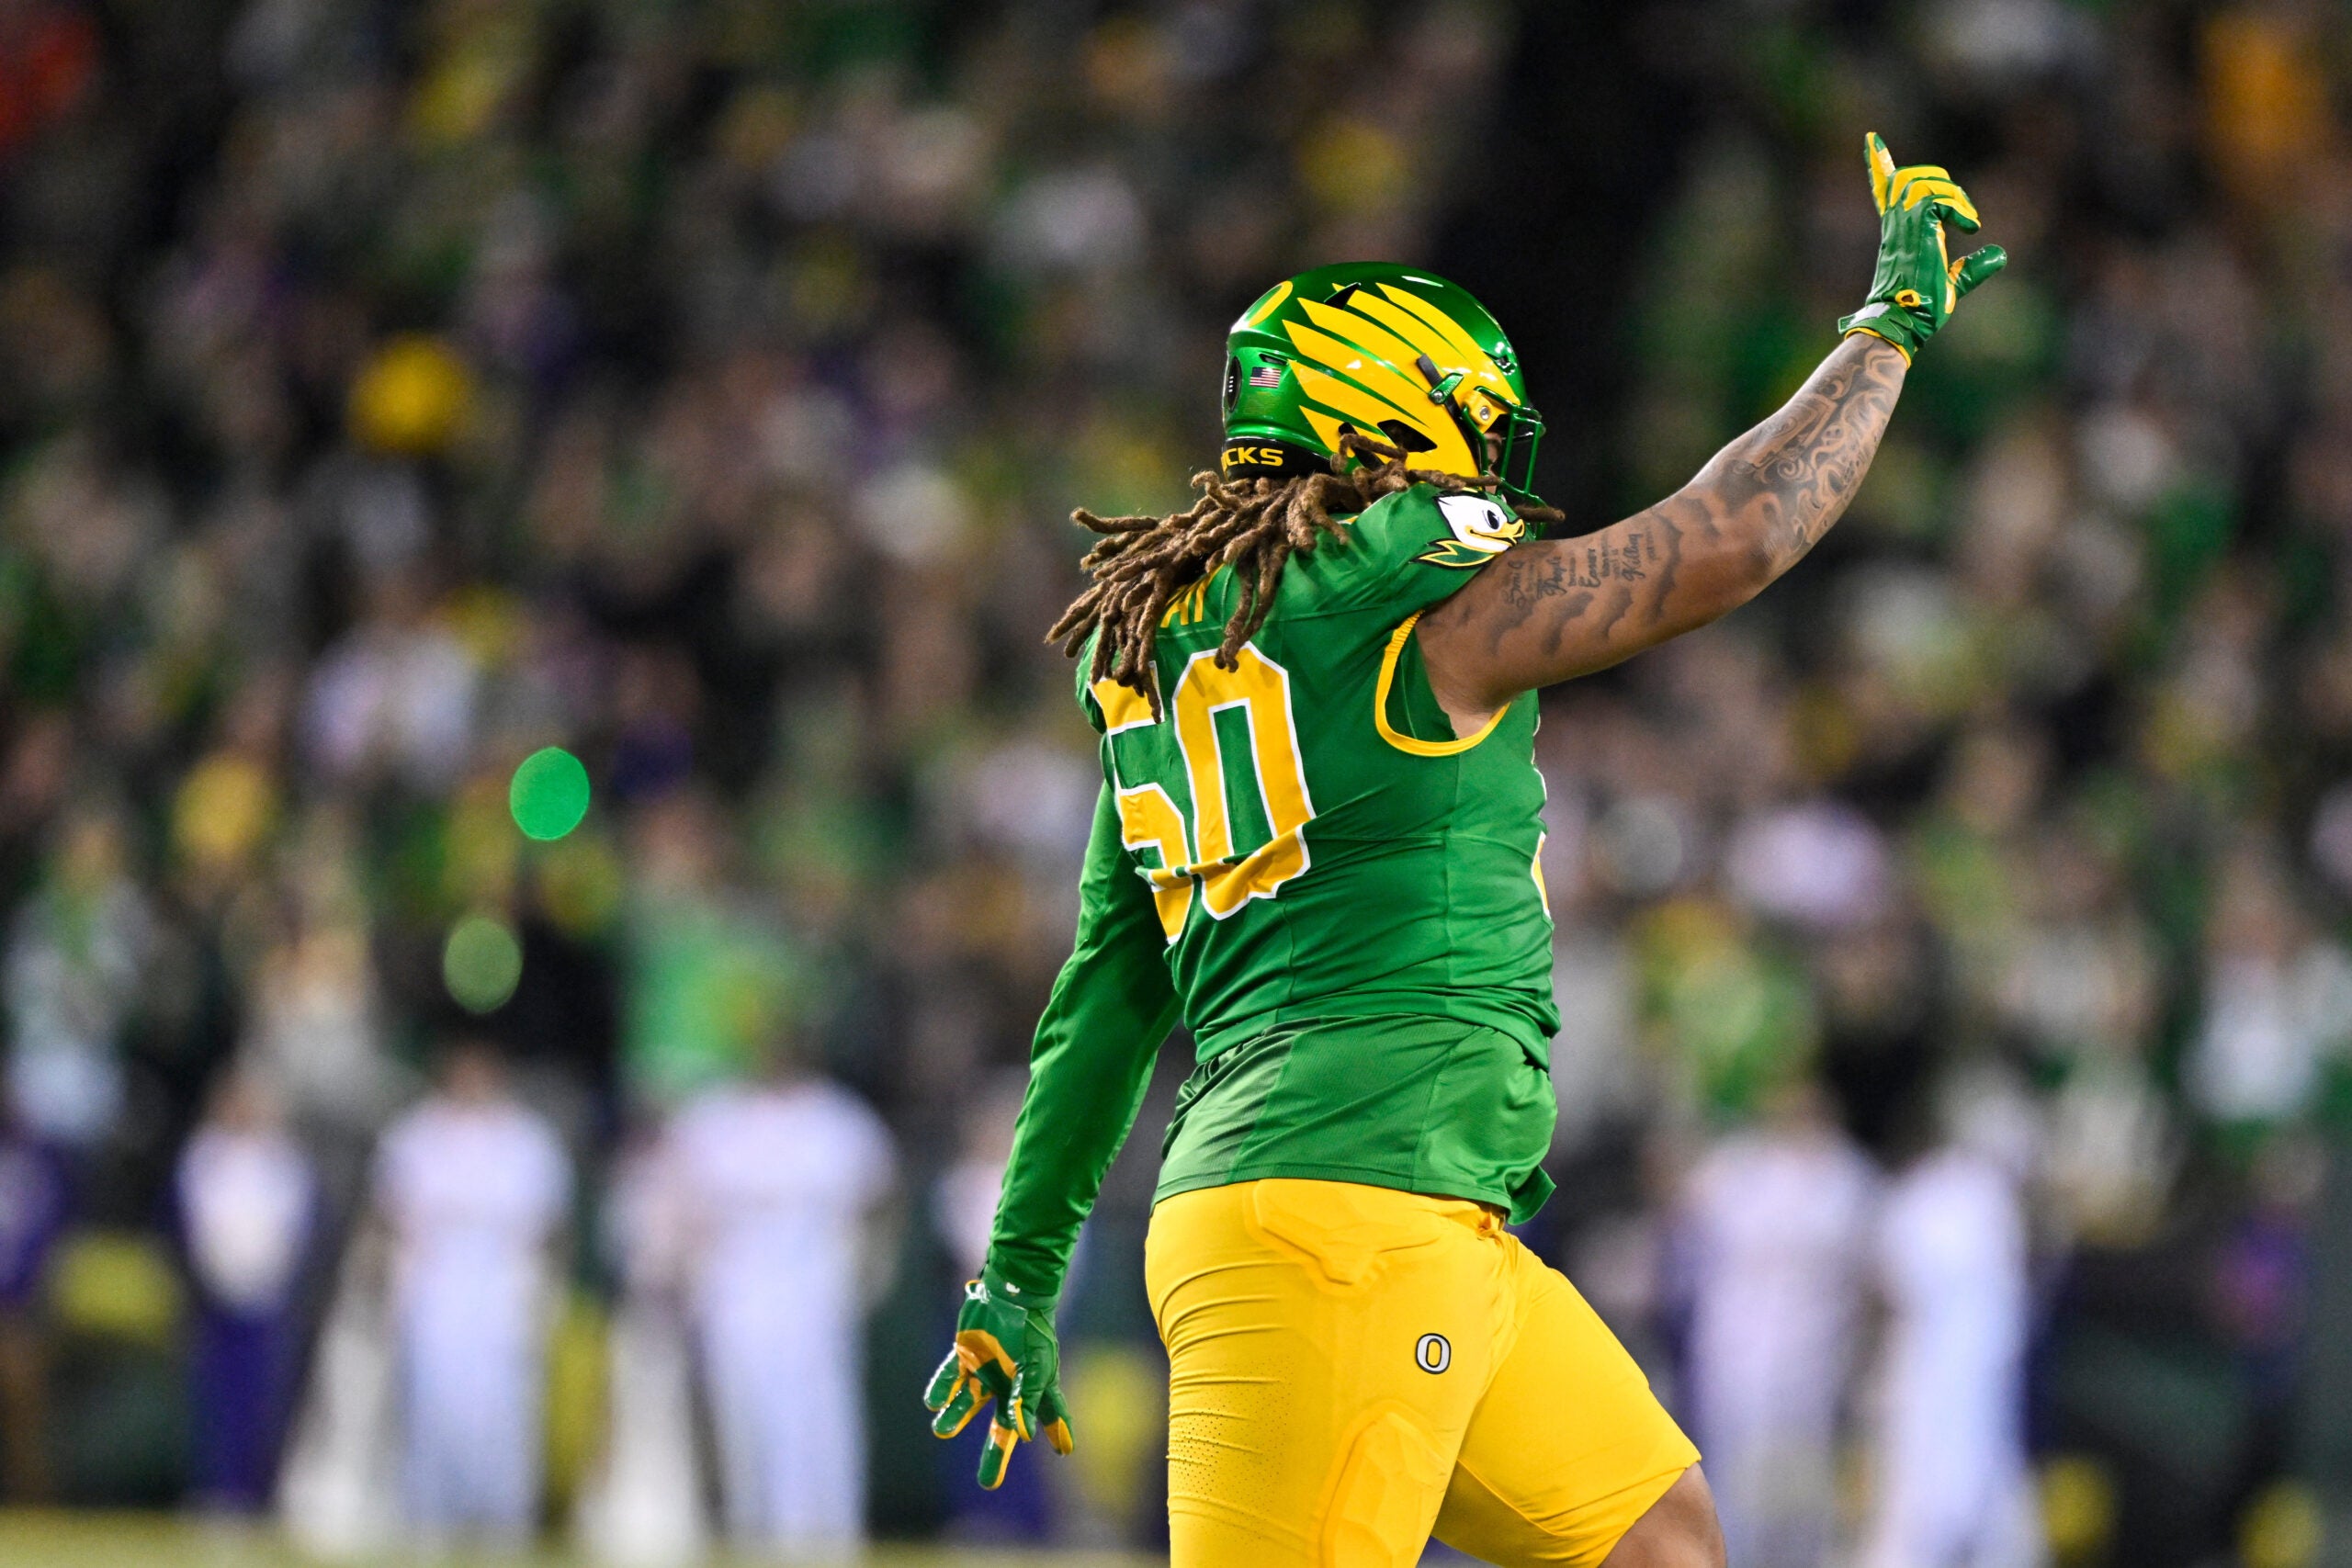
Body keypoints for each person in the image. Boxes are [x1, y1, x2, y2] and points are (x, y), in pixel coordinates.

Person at [923, 131, 2004, 1567]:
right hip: (1341, 1218)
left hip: (1410, 1211)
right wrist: (1886, 334)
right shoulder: (1402, 591)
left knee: (1663, 1546)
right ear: (1394, 415)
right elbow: (1732, 537)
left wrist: (1019, 1266)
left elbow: (1109, 997)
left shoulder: (1169, 647)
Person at [669, 1034, 896, 1555]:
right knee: (743, 1421)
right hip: (736, 1292)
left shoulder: (839, 1120)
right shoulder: (714, 1120)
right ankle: (755, 1541)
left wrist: (870, 1272)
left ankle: (831, 1542)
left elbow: (883, 1195)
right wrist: (687, 1275)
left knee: (819, 1424)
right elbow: (677, 1203)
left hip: (814, 1291)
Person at [370, 1039, 571, 1544]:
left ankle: (504, 1527)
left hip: (500, 1289)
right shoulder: (416, 1136)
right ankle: (427, 1525)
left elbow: (551, 1226)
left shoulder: (527, 1141)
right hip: (435, 1287)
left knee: (501, 1412)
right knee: (432, 1405)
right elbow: (388, 1216)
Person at [1676, 1081, 1877, 1568]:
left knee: (1799, 1498)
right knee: (1728, 1487)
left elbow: (1871, 1275)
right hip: (1733, 1357)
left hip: (1811, 1364)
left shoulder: (1848, 1178)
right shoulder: (1735, 1169)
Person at [176, 1065, 318, 1511]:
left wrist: (269, 1278)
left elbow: (296, 1230)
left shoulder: (283, 1161)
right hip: (214, 1299)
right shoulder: (205, 1155)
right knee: (213, 1401)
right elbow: (193, 1224)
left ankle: (258, 1495)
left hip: (267, 1300)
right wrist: (214, 1277)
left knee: (263, 1401)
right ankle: (215, 1491)